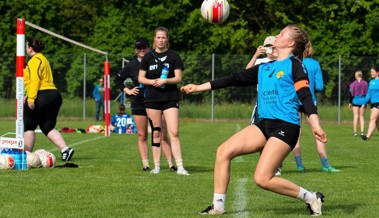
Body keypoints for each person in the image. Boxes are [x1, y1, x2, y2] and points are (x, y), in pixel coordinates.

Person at [181, 25, 326, 215]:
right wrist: (199, 87)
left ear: (290, 43)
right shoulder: (264, 67)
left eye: (281, 34)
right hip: (263, 125)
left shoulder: (295, 65)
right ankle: (218, 206)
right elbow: (234, 79)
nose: (276, 35)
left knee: (262, 179)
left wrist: (315, 125)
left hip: (286, 126)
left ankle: (310, 197)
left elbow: (305, 96)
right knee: (223, 151)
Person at [115, 37, 176, 172]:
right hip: (139, 102)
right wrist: (128, 90)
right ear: (135, 50)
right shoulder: (131, 65)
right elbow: (118, 79)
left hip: (156, 101)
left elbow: (167, 75)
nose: (142, 50)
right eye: (139, 48)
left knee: (162, 134)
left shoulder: (155, 60)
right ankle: (146, 164)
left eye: (144, 48)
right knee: (142, 135)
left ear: (149, 48)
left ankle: (171, 164)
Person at [138, 27, 189, 175]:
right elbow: (141, 78)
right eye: (158, 38)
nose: (161, 40)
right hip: (152, 99)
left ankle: (180, 167)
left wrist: (165, 80)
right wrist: (152, 81)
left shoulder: (174, 56)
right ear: (154, 39)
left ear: (167, 39)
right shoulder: (148, 57)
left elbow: (178, 78)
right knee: (156, 133)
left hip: (170, 98)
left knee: (173, 131)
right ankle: (157, 166)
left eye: (163, 38)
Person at [23, 37, 74, 161]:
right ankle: (65, 149)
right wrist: (28, 93)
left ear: (30, 48)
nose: (25, 48)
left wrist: (31, 98)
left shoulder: (34, 60)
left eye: (26, 46)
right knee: (47, 127)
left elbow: (35, 80)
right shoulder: (43, 59)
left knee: (28, 126)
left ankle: (26, 155)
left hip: (42, 95)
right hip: (54, 95)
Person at [292, 56, 340, 173]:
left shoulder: (290, 62)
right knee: (318, 131)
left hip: (293, 100)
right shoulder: (314, 63)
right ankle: (325, 165)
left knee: (296, 134)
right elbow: (319, 86)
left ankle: (299, 166)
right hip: (309, 100)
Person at [361, 65, 379, 141]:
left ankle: (367, 137)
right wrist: (363, 103)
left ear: (378, 73)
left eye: (372, 72)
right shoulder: (371, 82)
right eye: (371, 72)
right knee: (377, 122)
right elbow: (368, 94)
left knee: (372, 119)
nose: (371, 73)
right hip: (373, 103)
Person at [349, 70, 368, 136]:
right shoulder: (365, 83)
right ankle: (362, 132)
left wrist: (350, 102)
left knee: (355, 116)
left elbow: (351, 94)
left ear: (356, 75)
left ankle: (355, 132)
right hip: (363, 101)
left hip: (355, 101)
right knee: (362, 117)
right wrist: (366, 102)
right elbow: (367, 94)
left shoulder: (353, 84)